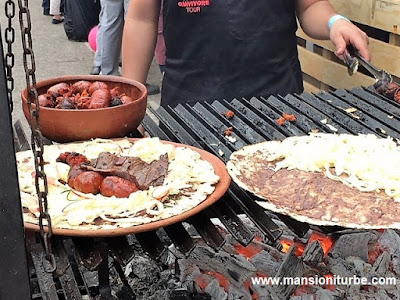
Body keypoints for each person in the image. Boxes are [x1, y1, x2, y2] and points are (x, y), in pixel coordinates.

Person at [121, 0, 370, 108]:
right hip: (190, 107)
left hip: (277, 103)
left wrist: (335, 22)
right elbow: (141, 19)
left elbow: (311, 6)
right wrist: (130, 104)